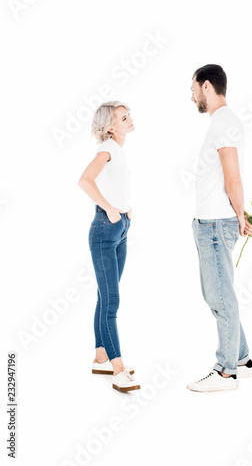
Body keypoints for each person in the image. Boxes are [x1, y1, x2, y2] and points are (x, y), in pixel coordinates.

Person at [186, 65, 252, 392]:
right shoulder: (221, 123)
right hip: (210, 223)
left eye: (193, 89)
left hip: (215, 224)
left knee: (221, 296)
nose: (192, 96)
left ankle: (226, 372)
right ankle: (241, 359)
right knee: (215, 293)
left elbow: (233, 177)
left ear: (207, 86)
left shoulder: (224, 123)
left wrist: (240, 215)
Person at [78, 101, 140, 392]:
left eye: (129, 115)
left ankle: (101, 356)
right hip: (105, 228)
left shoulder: (119, 150)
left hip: (120, 228)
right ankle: (118, 369)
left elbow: (113, 185)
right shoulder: (107, 149)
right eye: (124, 118)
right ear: (111, 126)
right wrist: (109, 208)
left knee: (105, 298)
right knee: (112, 302)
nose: (130, 120)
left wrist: (125, 209)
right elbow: (84, 181)